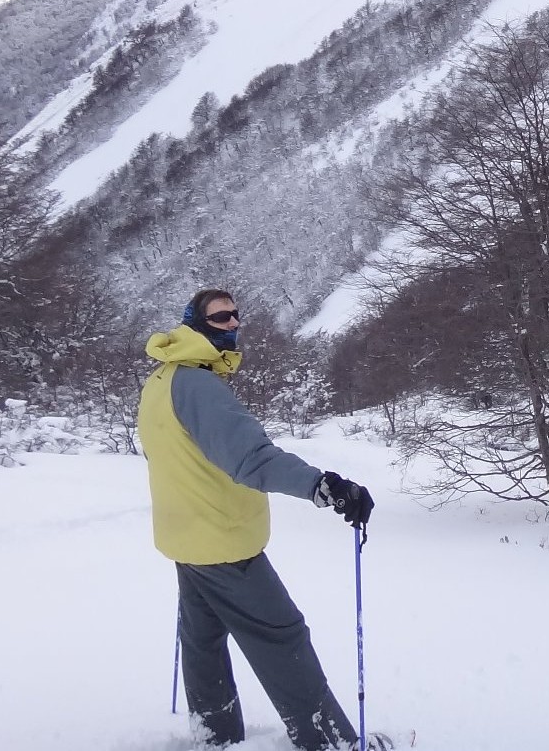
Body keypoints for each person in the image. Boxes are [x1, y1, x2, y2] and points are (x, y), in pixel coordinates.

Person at [138, 287, 386, 750]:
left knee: (202, 639)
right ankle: (330, 742)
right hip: (223, 542)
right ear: (194, 324)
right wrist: (322, 486)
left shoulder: (163, 380)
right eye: (219, 318)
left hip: (186, 539)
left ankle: (215, 732)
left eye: (235, 315)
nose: (232, 323)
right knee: (281, 636)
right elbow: (251, 457)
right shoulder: (198, 387)